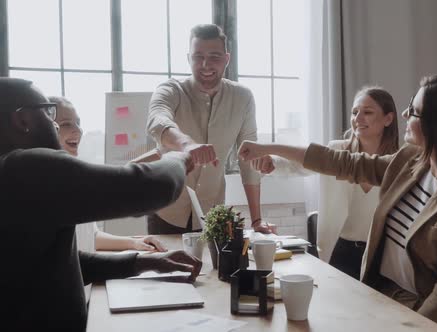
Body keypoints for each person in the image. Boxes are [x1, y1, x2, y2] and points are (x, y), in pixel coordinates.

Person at [239, 75, 437, 331]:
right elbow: (341, 162)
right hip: (390, 300)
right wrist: (269, 147)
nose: (405, 115)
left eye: (413, 111)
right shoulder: (411, 162)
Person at [0, 78, 203, 331]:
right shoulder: (22, 169)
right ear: (23, 120)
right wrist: (179, 158)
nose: (53, 122)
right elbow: (149, 188)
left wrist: (144, 261)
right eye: (48, 110)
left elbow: (62, 262)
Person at [251, 86, 398, 279]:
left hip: (382, 255)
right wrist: (272, 162)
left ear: (388, 119)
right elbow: (299, 165)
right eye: (355, 112)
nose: (357, 118)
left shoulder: (398, 162)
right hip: (340, 249)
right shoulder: (336, 151)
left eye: (367, 112)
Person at [146, 23, 271, 234]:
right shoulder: (170, 89)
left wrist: (257, 220)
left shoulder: (243, 98)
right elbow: (157, 121)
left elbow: (248, 158)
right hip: (166, 210)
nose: (206, 64)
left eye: (214, 56)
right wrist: (187, 145)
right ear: (188, 58)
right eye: (198, 56)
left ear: (227, 59)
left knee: (213, 267)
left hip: (212, 214)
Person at [49, 96, 167, 253]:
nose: (78, 130)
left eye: (78, 123)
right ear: (46, 128)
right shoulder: (50, 184)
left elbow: (91, 235)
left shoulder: (74, 176)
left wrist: (135, 242)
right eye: (66, 124)